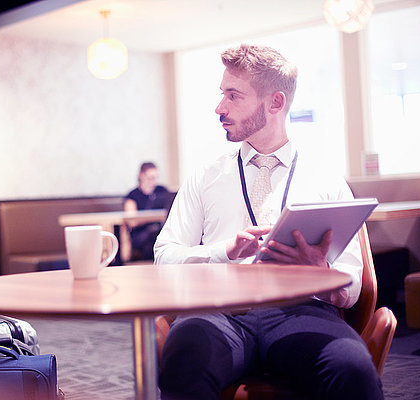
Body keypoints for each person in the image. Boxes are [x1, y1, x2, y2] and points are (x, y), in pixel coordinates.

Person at [154, 45, 383, 399]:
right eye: (222, 94)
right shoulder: (205, 175)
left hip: (301, 310)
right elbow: (163, 257)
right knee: (184, 359)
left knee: (351, 368)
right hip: (220, 311)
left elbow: (352, 286)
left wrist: (322, 275)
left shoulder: (325, 178)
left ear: (275, 103)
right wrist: (220, 253)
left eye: (233, 96)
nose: (220, 107)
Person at [124, 162, 170, 260]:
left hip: (160, 230)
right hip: (141, 235)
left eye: (156, 178)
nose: (154, 182)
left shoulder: (161, 191)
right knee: (153, 234)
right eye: (150, 178)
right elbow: (132, 221)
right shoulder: (133, 195)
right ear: (141, 176)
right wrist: (151, 218)